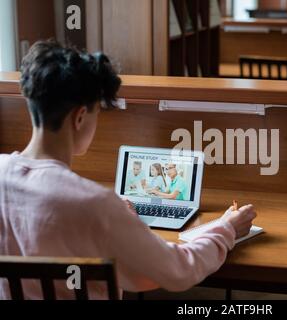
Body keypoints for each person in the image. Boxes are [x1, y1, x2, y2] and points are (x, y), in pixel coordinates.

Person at [0, 40, 257, 300]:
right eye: (97, 112)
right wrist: (227, 229)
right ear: (79, 118)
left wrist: (115, 215)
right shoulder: (94, 204)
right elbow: (179, 270)